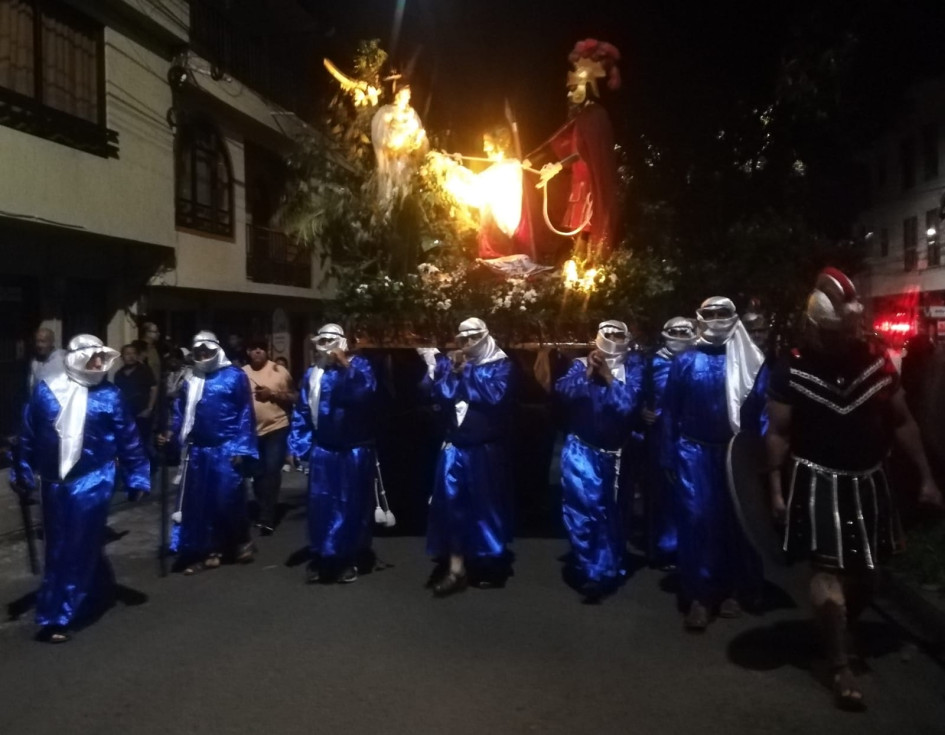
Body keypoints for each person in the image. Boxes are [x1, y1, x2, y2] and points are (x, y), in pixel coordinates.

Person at [766, 268, 943, 710]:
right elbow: (778, 435)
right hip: (816, 481)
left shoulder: (876, 362)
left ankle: (837, 628)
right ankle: (837, 662)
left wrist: (926, 477)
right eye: (835, 329)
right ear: (816, 326)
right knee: (827, 574)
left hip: (868, 481)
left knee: (868, 575)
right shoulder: (792, 368)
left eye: (848, 327)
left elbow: (902, 423)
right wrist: (775, 490)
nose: (844, 336)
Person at [11, 335, 150, 643]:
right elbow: (28, 434)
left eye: (102, 357)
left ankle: (59, 615)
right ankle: (100, 588)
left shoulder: (110, 396)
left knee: (74, 544)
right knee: (63, 543)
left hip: (93, 479)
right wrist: (21, 471)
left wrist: (138, 475)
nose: (100, 363)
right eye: (93, 357)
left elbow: (129, 438)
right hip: (53, 484)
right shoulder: (46, 393)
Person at [661, 297, 766, 630]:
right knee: (697, 520)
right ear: (699, 317)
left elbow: (762, 411)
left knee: (736, 522)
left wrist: (757, 454)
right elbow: (669, 412)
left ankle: (735, 588)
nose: (717, 319)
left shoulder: (751, 362)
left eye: (724, 314)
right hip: (693, 452)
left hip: (735, 454)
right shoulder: (685, 362)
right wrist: (669, 455)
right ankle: (699, 596)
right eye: (710, 314)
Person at [419, 317, 514, 596]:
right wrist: (434, 367)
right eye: (463, 339)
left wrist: (466, 372)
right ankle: (456, 568)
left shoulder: (501, 365)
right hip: (455, 448)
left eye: (473, 338)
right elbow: (435, 394)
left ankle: (488, 562)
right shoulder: (452, 363)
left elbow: (495, 397)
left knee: (486, 507)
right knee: (451, 506)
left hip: (485, 450)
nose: (468, 344)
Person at [555, 320, 641, 598]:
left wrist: (608, 377)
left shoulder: (635, 368)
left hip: (618, 454)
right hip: (582, 450)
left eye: (619, 334)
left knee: (613, 511)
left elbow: (628, 405)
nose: (614, 338)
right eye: (609, 334)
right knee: (583, 510)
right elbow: (564, 393)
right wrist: (589, 371)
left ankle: (610, 565)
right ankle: (589, 569)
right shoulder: (580, 365)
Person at [160, 331, 257, 575]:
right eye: (199, 351)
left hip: (226, 448)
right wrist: (173, 434)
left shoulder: (235, 376)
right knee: (200, 503)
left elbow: (245, 412)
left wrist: (240, 447)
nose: (203, 354)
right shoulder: (190, 378)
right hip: (198, 450)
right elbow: (181, 413)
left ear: (217, 349)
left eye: (207, 350)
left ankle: (239, 540)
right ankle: (207, 550)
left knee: (227, 499)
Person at [289, 324, 377, 584]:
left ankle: (348, 557)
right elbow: (303, 411)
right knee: (321, 505)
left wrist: (346, 367)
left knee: (350, 505)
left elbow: (365, 394)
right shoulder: (312, 374)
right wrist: (298, 446)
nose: (326, 345)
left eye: (331, 340)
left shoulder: (360, 367)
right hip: (324, 451)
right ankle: (324, 555)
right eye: (322, 340)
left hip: (353, 450)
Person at [641, 317, 697, 570]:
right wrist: (641, 411)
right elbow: (639, 393)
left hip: (692, 437)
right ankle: (660, 548)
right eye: (674, 331)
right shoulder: (651, 362)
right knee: (659, 492)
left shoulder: (699, 361)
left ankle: (688, 547)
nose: (679, 335)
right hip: (659, 435)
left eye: (685, 331)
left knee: (689, 493)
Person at [243, 337, 297, 536]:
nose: (258, 351)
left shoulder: (279, 371)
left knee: (272, 471)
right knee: (257, 473)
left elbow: (294, 397)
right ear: (248, 352)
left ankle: (267, 517)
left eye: (261, 348)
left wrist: (272, 394)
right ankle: (261, 507)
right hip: (252, 431)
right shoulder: (242, 373)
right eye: (253, 348)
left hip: (277, 427)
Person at [112, 343, 157, 461]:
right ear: (122, 357)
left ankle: (149, 469)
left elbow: (153, 389)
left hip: (142, 413)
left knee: (144, 443)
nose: (131, 356)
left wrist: (149, 408)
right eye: (127, 354)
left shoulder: (145, 370)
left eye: (133, 353)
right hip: (126, 415)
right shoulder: (119, 374)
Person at [28, 327, 65, 395]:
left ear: (51, 342)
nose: (39, 345)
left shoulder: (62, 359)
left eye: (43, 341)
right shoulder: (35, 362)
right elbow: (32, 385)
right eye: (37, 341)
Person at [139, 322, 163, 387]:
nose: (159, 334)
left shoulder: (154, 348)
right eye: (156, 332)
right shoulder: (140, 347)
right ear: (147, 333)